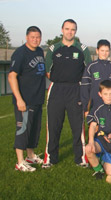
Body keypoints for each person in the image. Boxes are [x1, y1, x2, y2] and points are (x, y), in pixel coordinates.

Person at [43, 19, 91, 168]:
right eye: (67, 29)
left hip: (75, 90)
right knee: (53, 125)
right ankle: (50, 158)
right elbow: (48, 72)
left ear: (75, 31)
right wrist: (61, 79)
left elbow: (88, 70)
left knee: (77, 126)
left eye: (73, 29)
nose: (70, 32)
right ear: (62, 30)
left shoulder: (82, 49)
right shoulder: (53, 48)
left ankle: (80, 158)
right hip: (56, 89)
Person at [8, 26, 46, 171]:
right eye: (32, 37)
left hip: (37, 99)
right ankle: (20, 161)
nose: (35, 40)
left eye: (38, 37)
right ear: (26, 37)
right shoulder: (20, 53)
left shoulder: (40, 51)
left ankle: (30, 155)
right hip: (24, 100)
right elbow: (12, 76)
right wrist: (19, 99)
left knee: (34, 129)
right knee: (22, 129)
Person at [81, 39, 111, 114]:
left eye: (107, 51)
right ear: (97, 51)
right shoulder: (91, 66)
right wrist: (86, 108)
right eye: (102, 50)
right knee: (95, 125)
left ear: (109, 52)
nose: (104, 53)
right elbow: (85, 88)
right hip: (95, 105)